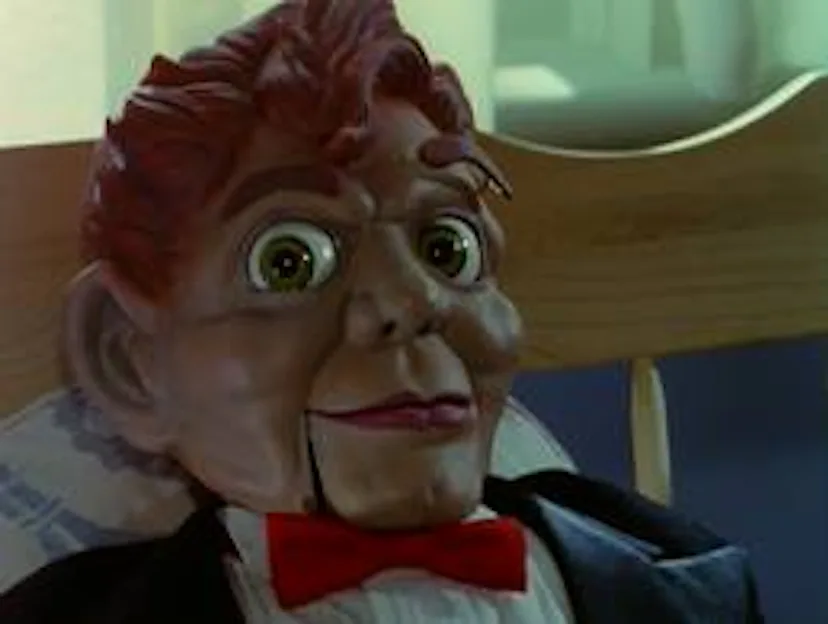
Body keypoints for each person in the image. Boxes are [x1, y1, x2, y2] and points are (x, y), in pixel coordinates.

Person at [0, 1, 763, 621]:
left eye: (447, 248)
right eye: (290, 261)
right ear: (131, 362)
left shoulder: (689, 589)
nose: (413, 299)